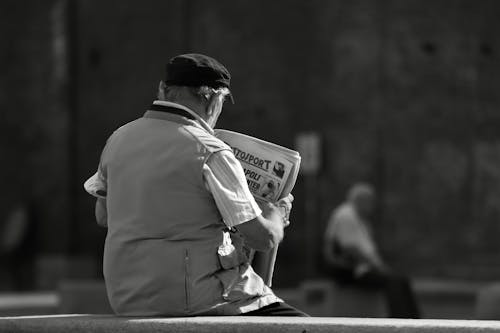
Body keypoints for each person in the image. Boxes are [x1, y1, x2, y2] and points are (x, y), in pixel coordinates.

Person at [84, 53, 307, 317]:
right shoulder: (210, 151)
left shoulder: (118, 140)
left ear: (162, 90)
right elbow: (262, 238)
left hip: (126, 297)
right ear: (212, 99)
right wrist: (275, 216)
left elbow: (104, 215)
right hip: (200, 298)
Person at [323, 183, 419, 318]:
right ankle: (401, 320)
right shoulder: (346, 215)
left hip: (361, 267)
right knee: (393, 282)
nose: (372, 206)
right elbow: (350, 248)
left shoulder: (358, 218)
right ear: (361, 200)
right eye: (370, 201)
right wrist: (377, 268)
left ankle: (414, 320)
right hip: (350, 270)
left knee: (401, 281)